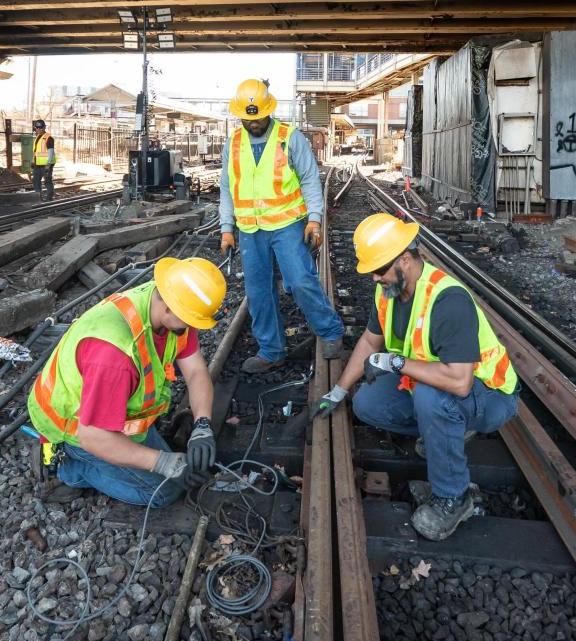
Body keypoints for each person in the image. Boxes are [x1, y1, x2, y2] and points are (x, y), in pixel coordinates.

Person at [311, 214, 519, 541]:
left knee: (431, 397)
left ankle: (454, 496)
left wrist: (397, 362)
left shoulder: (448, 300)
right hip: (437, 385)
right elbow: (368, 341)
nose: (375, 279)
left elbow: (460, 382)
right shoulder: (389, 293)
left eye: (379, 270)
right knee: (366, 402)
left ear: (405, 260)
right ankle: (444, 432)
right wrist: (338, 391)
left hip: (489, 396)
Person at [28, 257, 225, 507]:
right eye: (189, 320)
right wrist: (164, 463)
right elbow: (93, 437)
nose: (191, 327)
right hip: (77, 430)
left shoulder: (166, 301)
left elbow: (196, 370)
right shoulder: (116, 356)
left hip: (119, 417)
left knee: (168, 463)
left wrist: (203, 425)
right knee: (164, 492)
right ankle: (69, 468)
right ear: (169, 308)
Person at [220, 78, 343, 373]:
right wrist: (227, 227)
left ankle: (330, 331)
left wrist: (314, 220)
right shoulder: (234, 143)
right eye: (248, 118)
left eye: (259, 117)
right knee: (258, 291)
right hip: (250, 230)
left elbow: (311, 179)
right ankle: (271, 350)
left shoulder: (290, 137)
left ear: (269, 111)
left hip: (287, 224)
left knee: (300, 281)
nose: (254, 123)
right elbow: (227, 187)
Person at [31, 119, 55, 201]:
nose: (39, 129)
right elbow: (36, 152)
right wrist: (33, 161)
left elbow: (51, 152)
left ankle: (49, 199)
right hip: (37, 164)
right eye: (37, 127)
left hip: (46, 165)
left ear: (44, 127)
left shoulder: (48, 138)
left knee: (47, 181)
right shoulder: (37, 137)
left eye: (41, 127)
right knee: (36, 180)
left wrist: (48, 164)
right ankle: (38, 198)